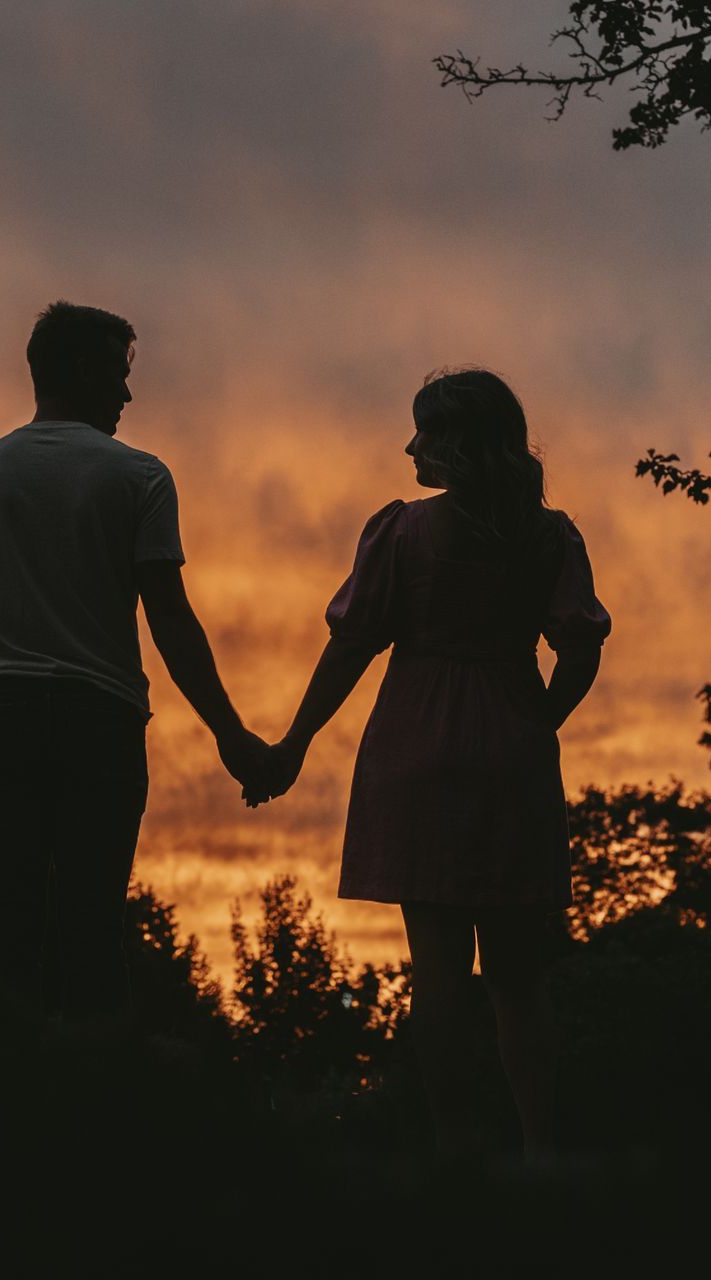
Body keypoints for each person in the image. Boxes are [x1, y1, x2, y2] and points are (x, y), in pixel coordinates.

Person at [253, 367, 611, 1163]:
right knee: (519, 977)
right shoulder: (551, 536)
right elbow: (580, 648)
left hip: (415, 745)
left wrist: (296, 742)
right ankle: (540, 1149)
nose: (410, 444)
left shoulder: (403, 531)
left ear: (457, 444)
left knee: (440, 972)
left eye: (424, 430)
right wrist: (537, 723)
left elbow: (352, 645)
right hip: (512, 745)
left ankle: (452, 1143)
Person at [0, 300, 273, 1045]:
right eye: (118, 375)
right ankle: (102, 1123)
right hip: (101, 724)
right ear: (83, 371)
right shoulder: (139, 477)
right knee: (92, 935)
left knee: (6, 937)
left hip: (1, 721)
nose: (126, 394)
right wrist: (230, 733)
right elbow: (170, 618)